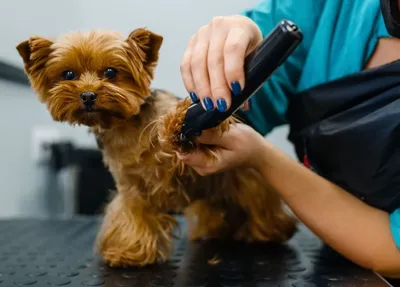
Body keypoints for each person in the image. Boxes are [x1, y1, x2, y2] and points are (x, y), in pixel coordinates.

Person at [178, 0, 400, 278]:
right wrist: (237, 46)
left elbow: (392, 251)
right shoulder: (339, 7)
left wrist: (264, 158)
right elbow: (247, 107)